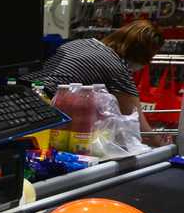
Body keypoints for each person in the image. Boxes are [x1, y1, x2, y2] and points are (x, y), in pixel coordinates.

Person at [25, 20, 167, 146]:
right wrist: (163, 146)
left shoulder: (80, 43)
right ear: (142, 55)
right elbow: (140, 127)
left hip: (20, 95)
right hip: (42, 112)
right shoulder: (116, 68)